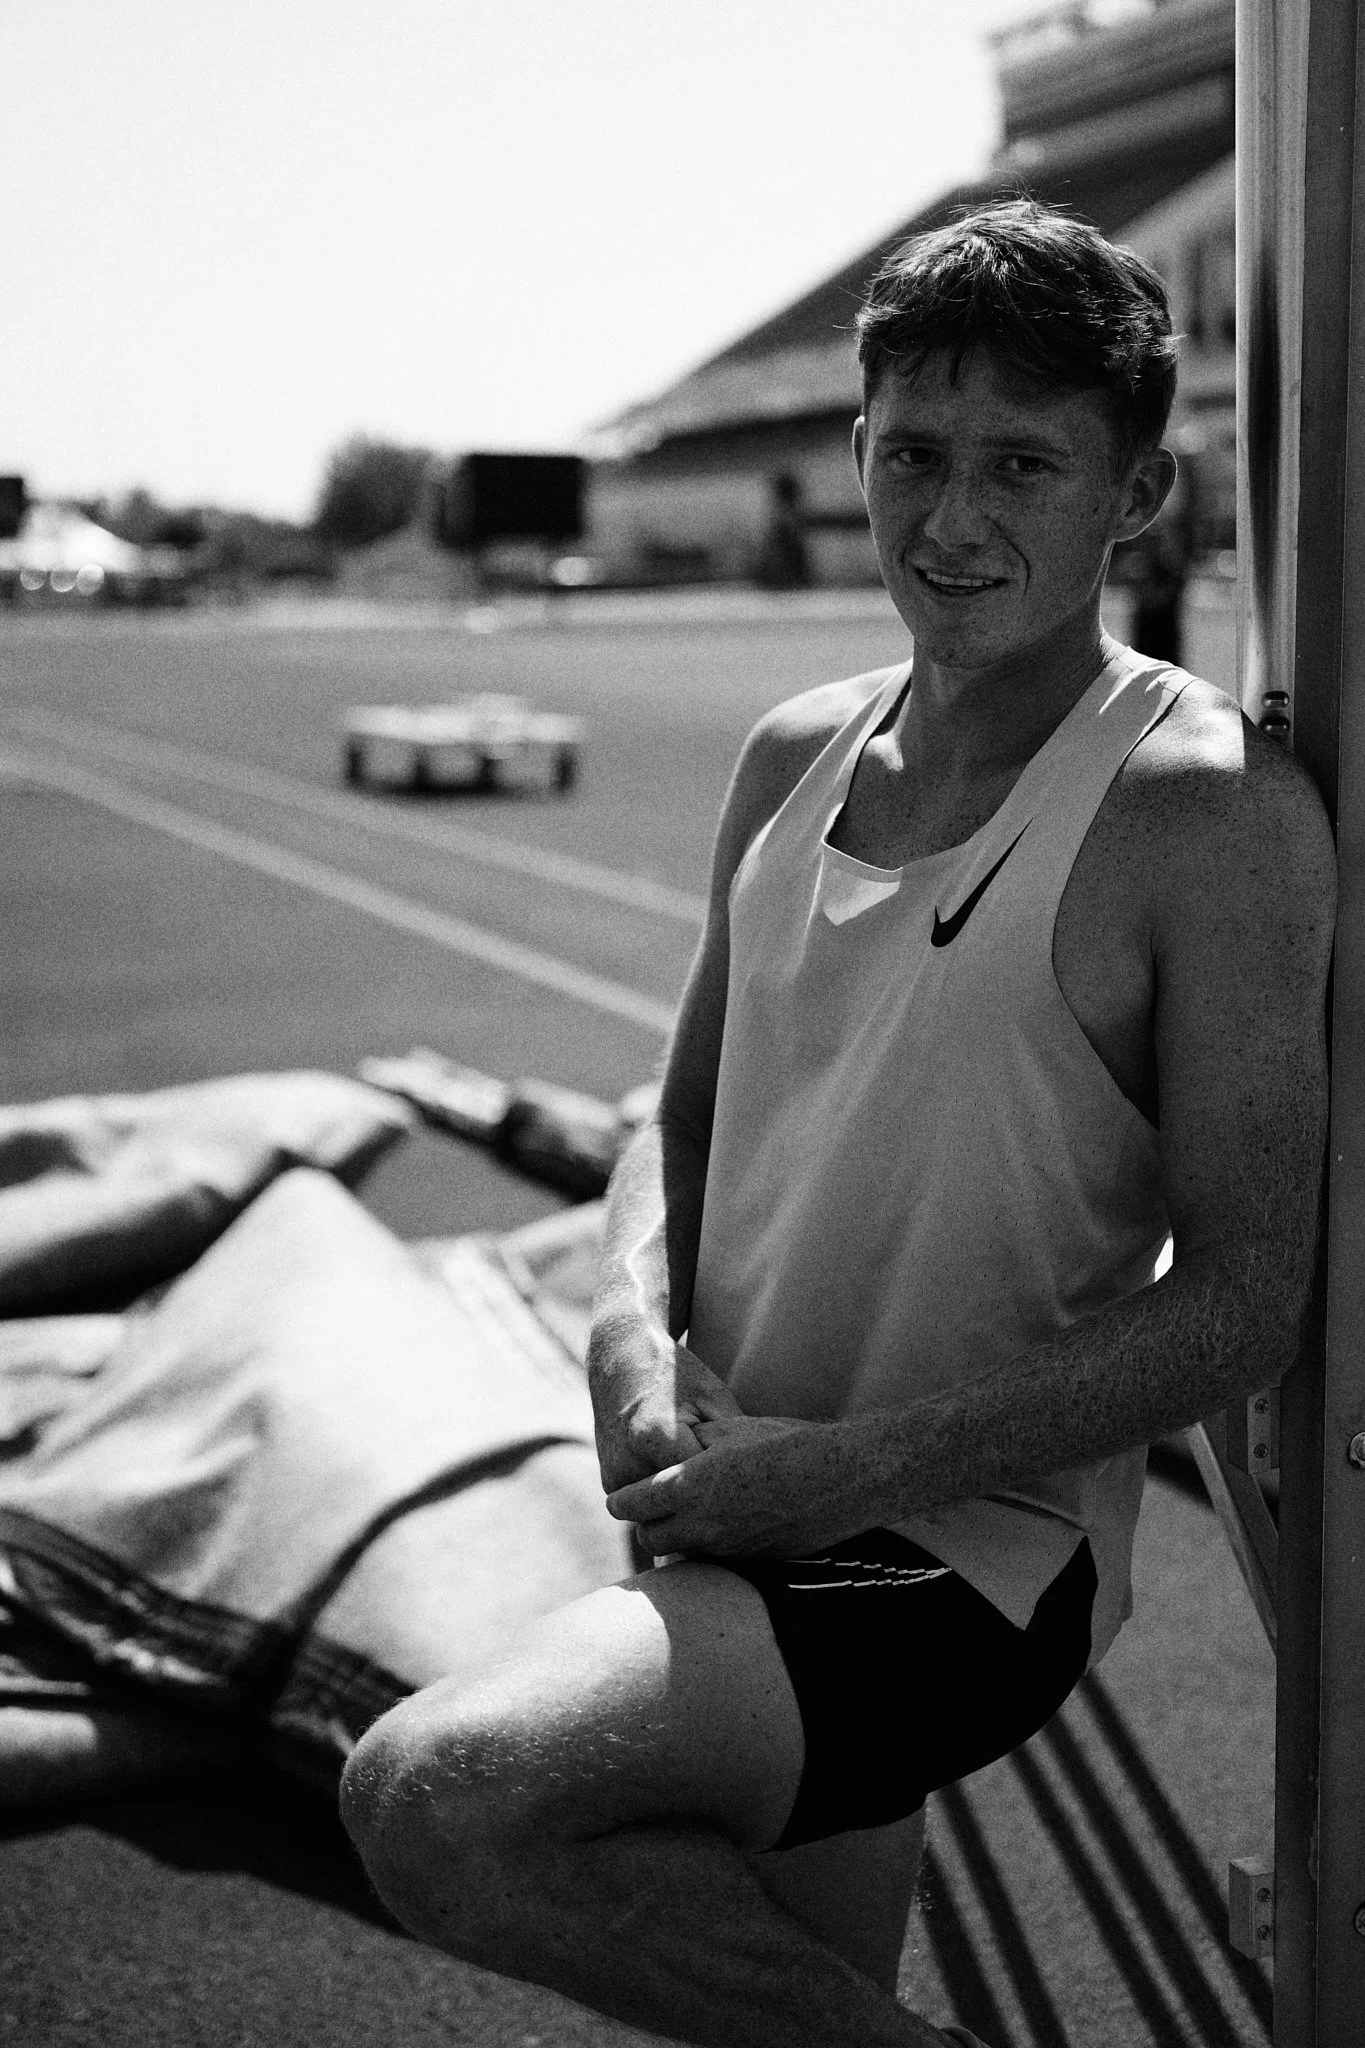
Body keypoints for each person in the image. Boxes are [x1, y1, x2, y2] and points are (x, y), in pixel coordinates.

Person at [339, 201, 1335, 2048]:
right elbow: (683, 1109)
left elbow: (1242, 1306)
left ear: (1137, 495)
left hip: (960, 1553)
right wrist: (628, 1317)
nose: (950, 523)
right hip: (730, 1485)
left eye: (1023, 465)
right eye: (913, 457)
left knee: (435, 1801)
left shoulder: (1203, 814)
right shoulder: (797, 749)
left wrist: (845, 1477)